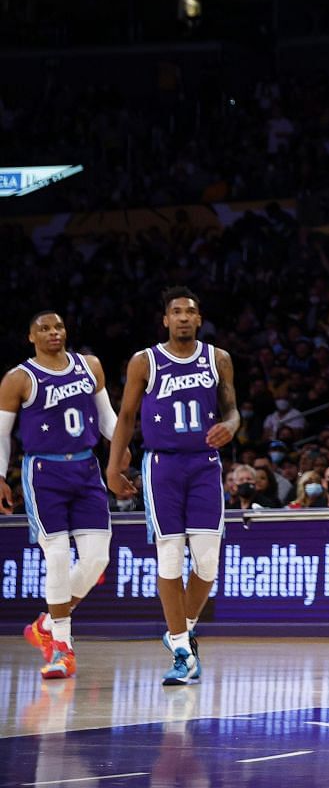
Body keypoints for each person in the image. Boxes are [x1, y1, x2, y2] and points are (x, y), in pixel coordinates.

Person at [105, 287, 239, 687]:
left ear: (199, 319)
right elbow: (126, 416)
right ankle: (182, 650)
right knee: (169, 555)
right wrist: (113, 466)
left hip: (204, 464)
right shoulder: (144, 361)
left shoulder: (219, 358)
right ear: (165, 320)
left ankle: (182, 627)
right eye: (176, 312)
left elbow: (231, 408)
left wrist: (231, 426)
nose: (183, 317)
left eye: (190, 312)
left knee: (207, 561)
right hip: (161, 464)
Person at [1, 311, 116, 680]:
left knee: (97, 559)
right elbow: (1, 435)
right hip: (43, 473)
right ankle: (62, 650)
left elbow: (107, 419)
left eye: (58, 327)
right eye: (44, 329)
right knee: (57, 558)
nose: (53, 333)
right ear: (30, 337)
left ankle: (48, 623)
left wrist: (123, 448)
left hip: (86, 468)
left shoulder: (90, 365)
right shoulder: (18, 378)